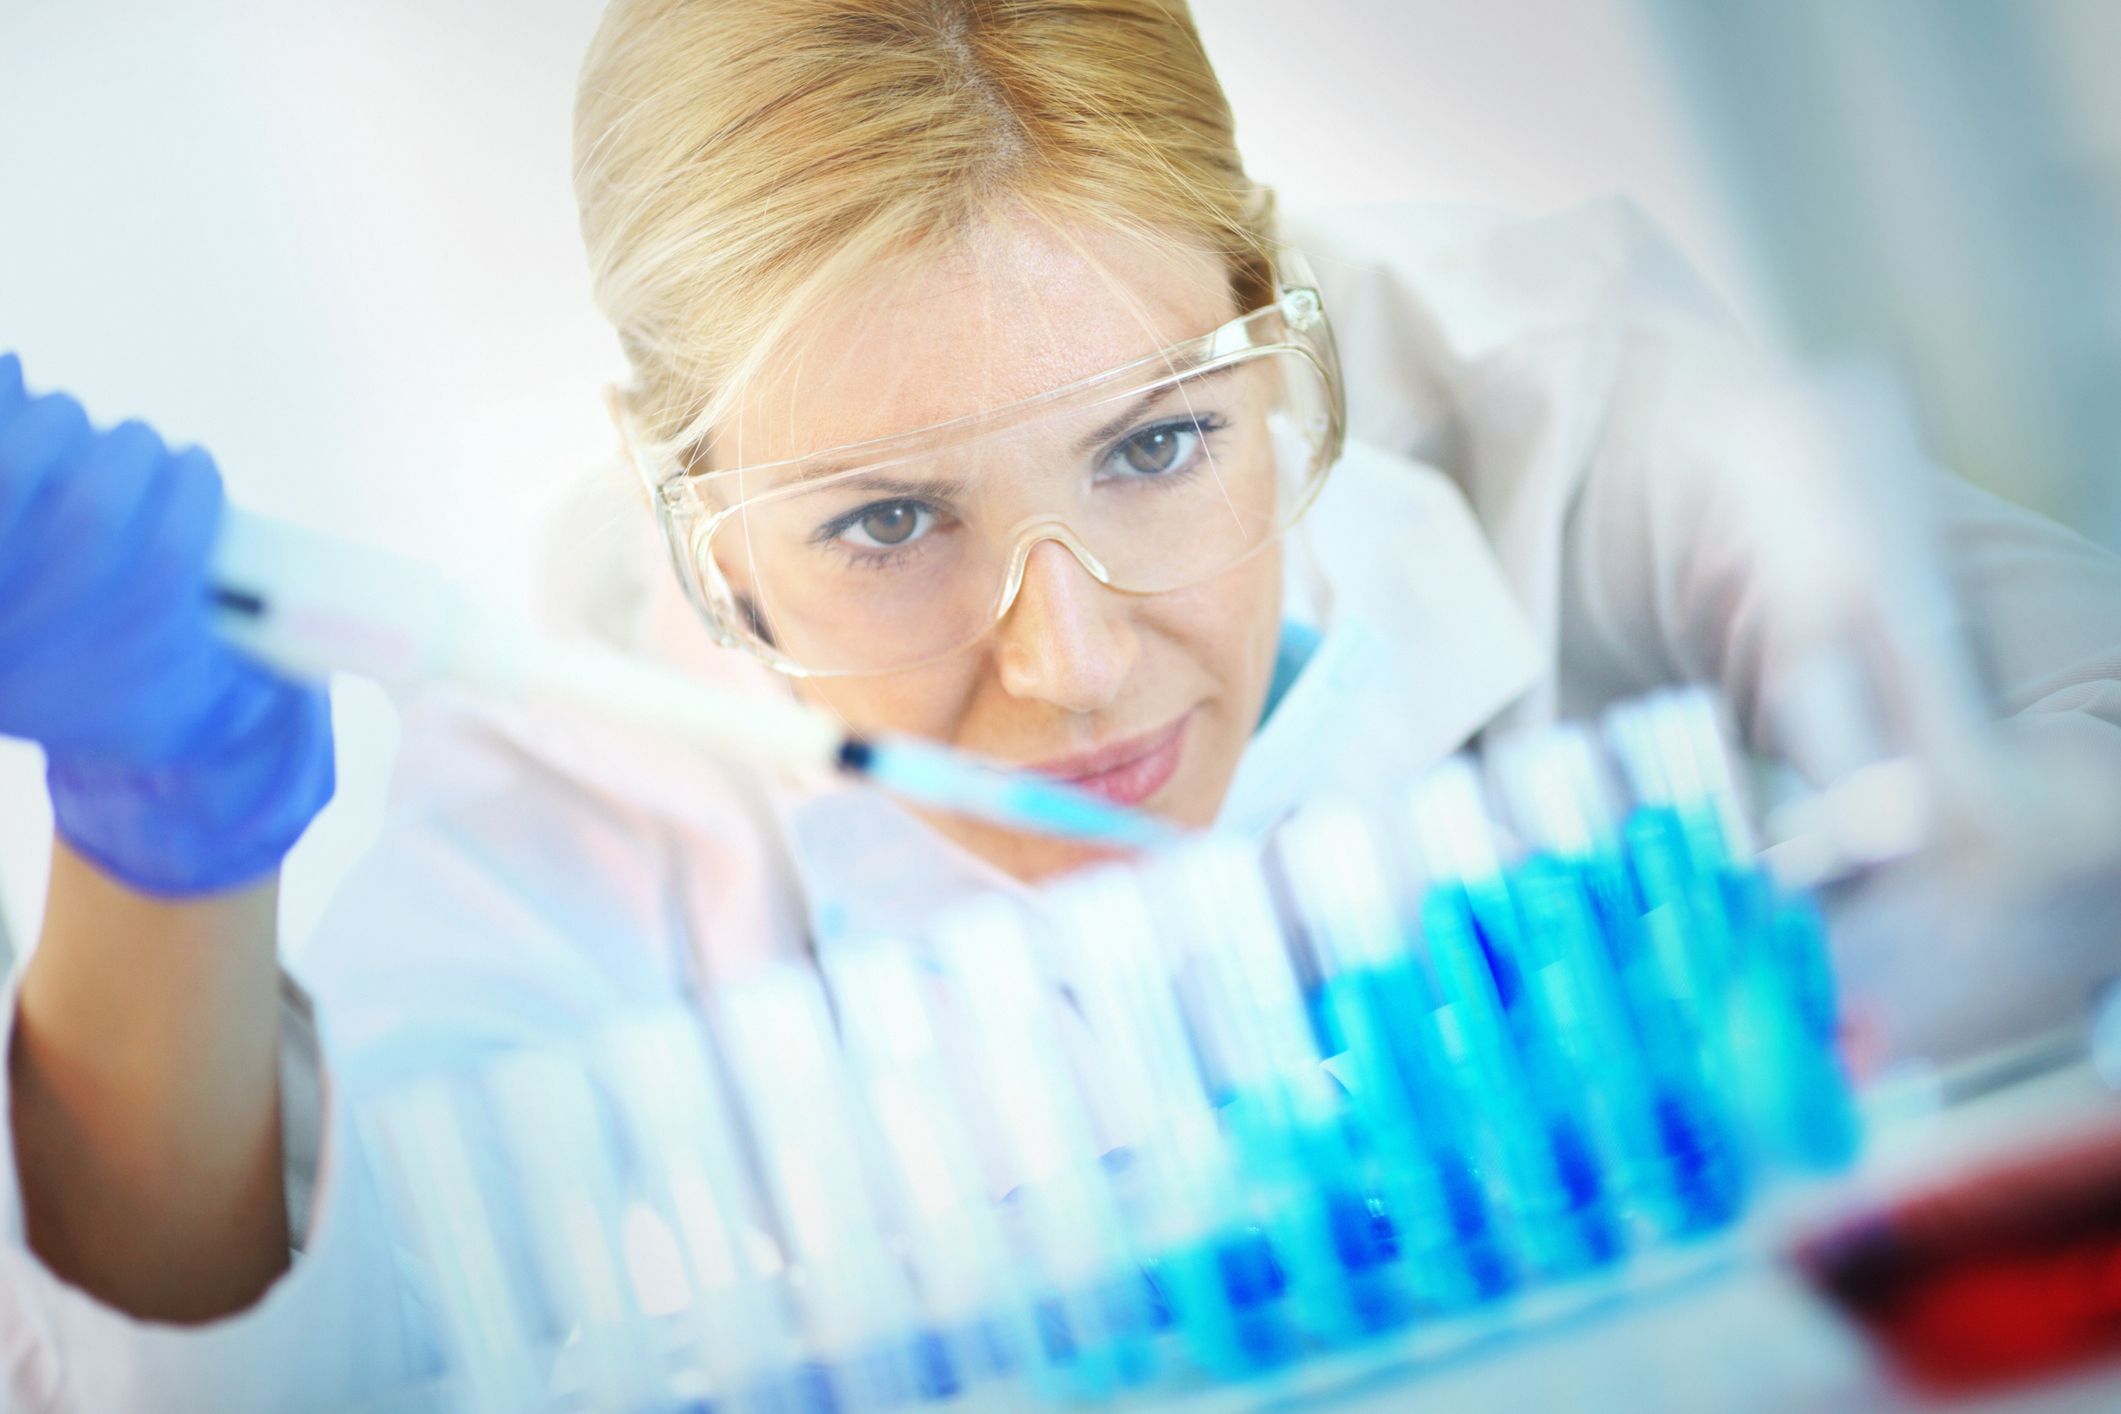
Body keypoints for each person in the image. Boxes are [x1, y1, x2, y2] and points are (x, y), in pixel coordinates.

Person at [2, 1, 2119, 1407]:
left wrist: (1843, 939)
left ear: (1264, 328)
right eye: (884, 519)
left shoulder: (1555, 397)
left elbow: (2082, 748)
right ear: (697, 531)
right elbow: (237, 1370)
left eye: (1152, 448)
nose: (1071, 661)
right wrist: (164, 844)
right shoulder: (587, 770)